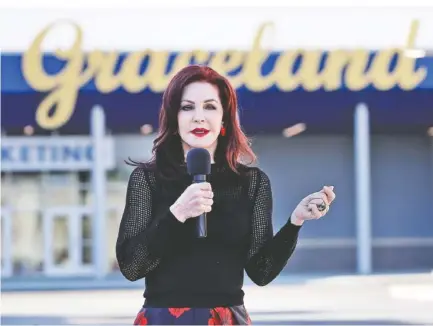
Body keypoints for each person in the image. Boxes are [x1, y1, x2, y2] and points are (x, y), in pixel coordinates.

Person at [116, 65, 336, 325]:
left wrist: (295, 222)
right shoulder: (149, 180)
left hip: (226, 318)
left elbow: (261, 271)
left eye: (210, 107)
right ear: (174, 117)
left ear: (224, 118)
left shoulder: (251, 183)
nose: (199, 117)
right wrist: (178, 213)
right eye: (187, 107)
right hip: (164, 317)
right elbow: (132, 267)